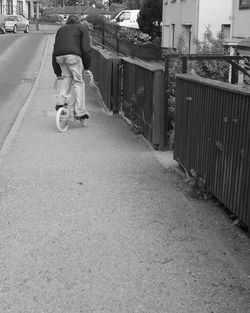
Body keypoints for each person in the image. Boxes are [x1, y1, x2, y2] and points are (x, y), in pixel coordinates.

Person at [52, 15, 91, 120]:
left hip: (59, 57)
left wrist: (57, 72)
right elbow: (86, 50)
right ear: (77, 21)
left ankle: (60, 102)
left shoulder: (61, 29)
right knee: (79, 82)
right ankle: (80, 111)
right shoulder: (81, 28)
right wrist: (86, 67)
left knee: (67, 77)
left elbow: (55, 50)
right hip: (73, 57)